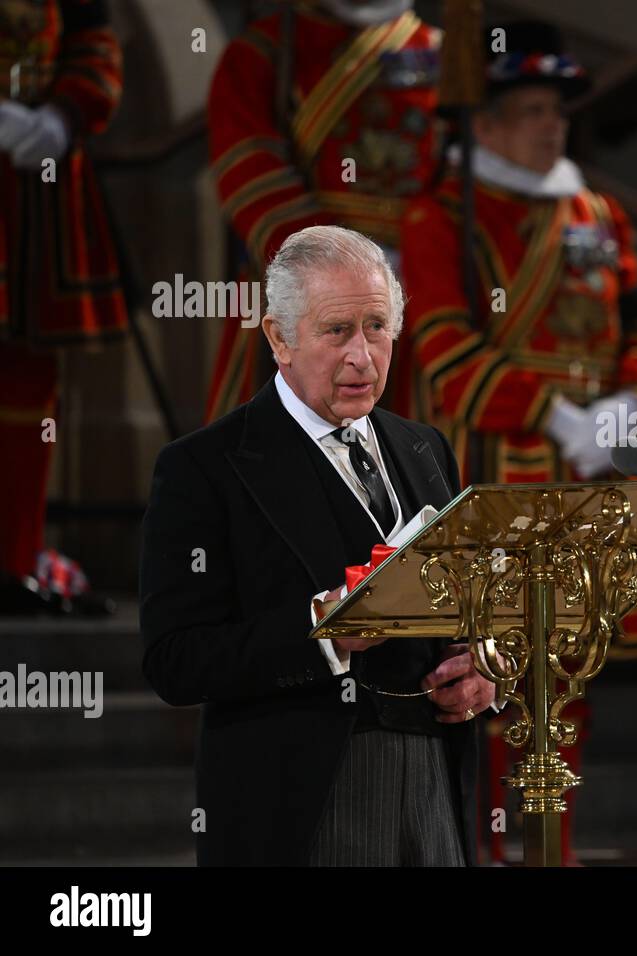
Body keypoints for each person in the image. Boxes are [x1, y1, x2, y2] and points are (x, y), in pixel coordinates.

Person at [392, 20, 637, 865]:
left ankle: (551, 847)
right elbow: (444, 347)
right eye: (528, 110)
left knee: (569, 676)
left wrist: (633, 397)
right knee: (483, 669)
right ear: (483, 125)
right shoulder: (438, 214)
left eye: (556, 109)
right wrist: (556, 414)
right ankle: (483, 846)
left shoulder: (600, 212)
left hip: (590, 471)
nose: (550, 125)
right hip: (497, 465)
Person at [141, 225, 496, 865]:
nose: (362, 355)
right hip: (301, 802)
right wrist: (322, 631)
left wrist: (482, 668)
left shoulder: (426, 449)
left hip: (433, 787)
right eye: (337, 332)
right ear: (280, 338)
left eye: (378, 327)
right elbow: (175, 661)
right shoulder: (205, 467)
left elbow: (465, 609)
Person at [203, 0, 443, 421]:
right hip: (301, 285)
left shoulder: (444, 55)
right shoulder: (262, 54)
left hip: (421, 290)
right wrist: (339, 268)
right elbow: (252, 175)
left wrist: (426, 253)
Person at [0, 0, 125, 614]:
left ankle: (14, 563)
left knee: (28, 375)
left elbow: (93, 36)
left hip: (34, 186)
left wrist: (63, 111)